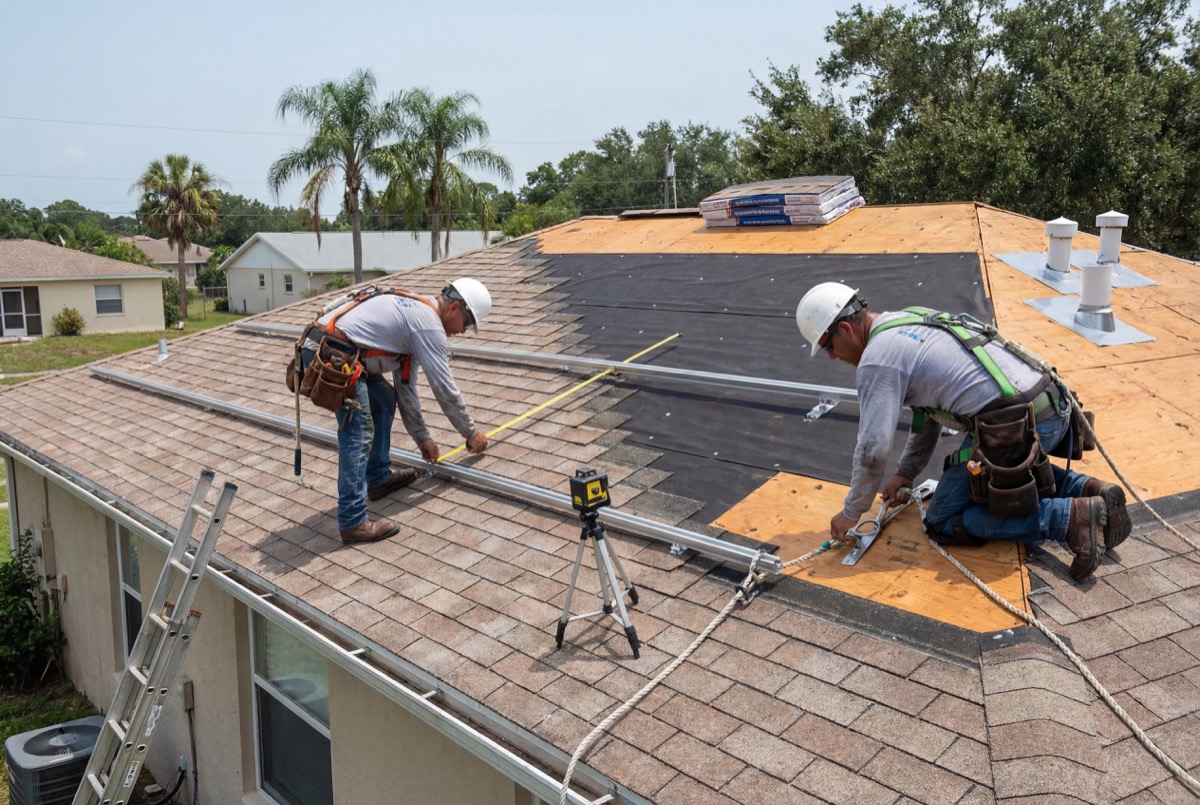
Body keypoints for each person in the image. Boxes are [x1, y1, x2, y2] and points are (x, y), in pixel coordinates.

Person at [794, 282, 1130, 582]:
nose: (833, 357)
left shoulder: (877, 360)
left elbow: (873, 450)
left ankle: (1069, 520)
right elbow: (930, 415)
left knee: (942, 519)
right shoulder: (910, 319)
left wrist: (852, 512)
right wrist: (905, 473)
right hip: (1053, 408)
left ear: (844, 329)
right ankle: (1092, 489)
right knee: (988, 479)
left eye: (828, 346)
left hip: (1019, 427)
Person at [302, 278, 491, 543]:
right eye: (467, 323)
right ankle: (353, 521)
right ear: (454, 308)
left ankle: (378, 478)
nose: (463, 331)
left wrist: (421, 437)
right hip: (333, 352)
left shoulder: (417, 318)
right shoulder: (428, 325)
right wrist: (470, 432)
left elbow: (405, 388)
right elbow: (444, 388)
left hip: (335, 347)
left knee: (384, 399)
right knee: (357, 432)